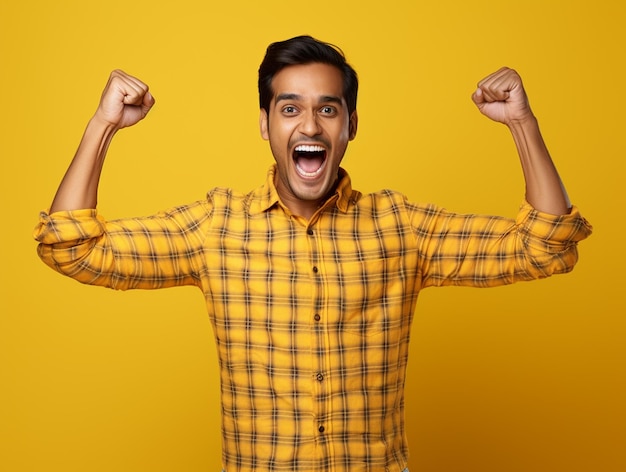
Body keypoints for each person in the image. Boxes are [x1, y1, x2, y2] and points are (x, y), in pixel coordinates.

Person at [34, 35, 592, 471]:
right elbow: (72, 247)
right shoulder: (217, 226)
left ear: (351, 124)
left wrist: (522, 123)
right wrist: (103, 125)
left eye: (329, 110)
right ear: (265, 124)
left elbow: (545, 247)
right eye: (290, 108)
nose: (309, 124)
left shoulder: (400, 227)